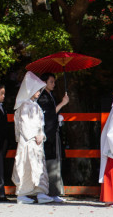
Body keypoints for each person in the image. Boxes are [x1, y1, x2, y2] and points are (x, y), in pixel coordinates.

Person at [11, 71, 52, 204]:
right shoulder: (24, 106)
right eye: (36, 90)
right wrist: (35, 135)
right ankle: (22, 194)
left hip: (37, 141)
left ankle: (40, 192)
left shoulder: (36, 106)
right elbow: (24, 125)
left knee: (38, 167)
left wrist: (42, 135)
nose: (39, 92)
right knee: (26, 166)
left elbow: (41, 125)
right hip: (29, 141)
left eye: (39, 90)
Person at [38, 73, 69, 203]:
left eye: (53, 82)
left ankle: (55, 191)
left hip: (53, 131)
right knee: (51, 162)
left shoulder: (50, 96)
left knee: (56, 160)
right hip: (48, 133)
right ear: (44, 83)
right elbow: (48, 113)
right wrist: (62, 103)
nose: (53, 84)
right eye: (51, 82)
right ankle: (51, 191)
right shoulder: (42, 96)